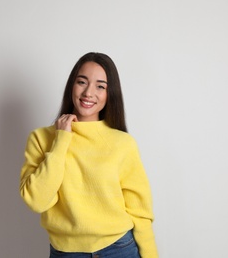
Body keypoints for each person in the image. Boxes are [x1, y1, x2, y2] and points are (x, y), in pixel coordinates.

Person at [20, 52, 158, 257]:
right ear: (71, 86)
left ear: (110, 93)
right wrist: (61, 140)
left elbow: (140, 211)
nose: (88, 92)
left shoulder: (123, 143)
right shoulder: (41, 139)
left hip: (119, 249)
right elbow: (37, 201)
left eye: (100, 86)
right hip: (66, 253)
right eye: (82, 82)